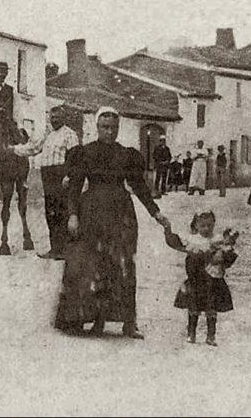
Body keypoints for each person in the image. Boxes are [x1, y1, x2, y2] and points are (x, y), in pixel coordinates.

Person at [55, 107, 172, 339]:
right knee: (91, 266)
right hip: (92, 213)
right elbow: (75, 187)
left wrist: (156, 213)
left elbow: (139, 186)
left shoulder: (126, 154)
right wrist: (73, 215)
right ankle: (88, 319)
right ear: (97, 127)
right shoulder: (85, 153)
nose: (109, 132)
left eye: (114, 128)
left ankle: (129, 323)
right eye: (104, 127)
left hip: (121, 214)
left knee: (123, 265)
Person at [165, 210, 238, 346]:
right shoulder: (192, 240)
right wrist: (167, 230)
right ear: (196, 225)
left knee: (211, 307)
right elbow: (175, 242)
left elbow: (228, 256)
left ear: (214, 224)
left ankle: (211, 335)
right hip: (195, 280)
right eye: (203, 225)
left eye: (210, 225)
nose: (206, 229)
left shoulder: (217, 240)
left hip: (212, 281)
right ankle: (191, 333)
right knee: (193, 306)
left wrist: (228, 246)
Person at [32, 106, 80, 259]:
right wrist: (13, 149)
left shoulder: (70, 134)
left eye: (57, 117)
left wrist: (68, 175)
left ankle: (66, 250)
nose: (54, 120)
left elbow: (75, 159)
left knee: (62, 212)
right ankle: (55, 249)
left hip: (61, 176)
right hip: (48, 176)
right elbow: (34, 149)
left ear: (63, 118)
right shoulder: (49, 135)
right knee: (50, 212)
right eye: (52, 117)